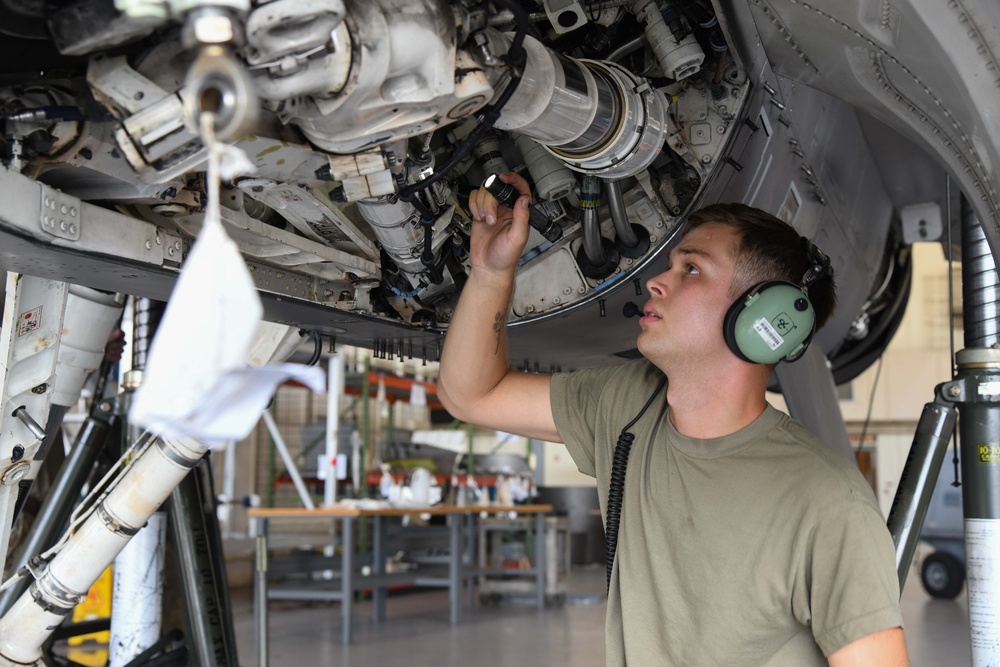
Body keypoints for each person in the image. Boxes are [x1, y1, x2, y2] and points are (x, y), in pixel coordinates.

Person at [437, 172, 907, 666]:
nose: (656, 280)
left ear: (763, 319)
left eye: (692, 270)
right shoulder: (626, 404)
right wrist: (491, 273)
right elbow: (472, 394)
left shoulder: (830, 504)